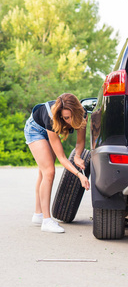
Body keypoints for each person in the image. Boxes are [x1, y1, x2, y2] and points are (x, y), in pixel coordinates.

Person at [24, 93, 90, 233]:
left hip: (47, 129)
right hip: (35, 129)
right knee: (49, 171)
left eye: (71, 117)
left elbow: (80, 142)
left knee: (44, 172)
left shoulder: (83, 115)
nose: (70, 121)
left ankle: (38, 214)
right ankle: (46, 221)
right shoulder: (52, 118)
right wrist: (79, 175)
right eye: (66, 118)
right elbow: (62, 158)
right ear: (60, 116)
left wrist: (78, 155)